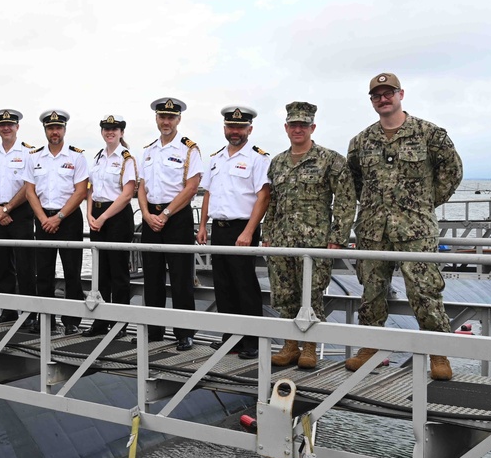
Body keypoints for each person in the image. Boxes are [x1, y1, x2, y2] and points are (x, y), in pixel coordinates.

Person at [346, 73, 463, 381]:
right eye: (376, 95)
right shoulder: (360, 142)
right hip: (372, 229)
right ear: (372, 101)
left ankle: (438, 352)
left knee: (425, 291)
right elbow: (355, 180)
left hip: (416, 230)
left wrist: (423, 203)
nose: (383, 99)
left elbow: (452, 170)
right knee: (372, 291)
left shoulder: (429, 133)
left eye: (388, 93)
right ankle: (369, 347)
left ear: (401, 94)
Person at [265, 102, 356, 369]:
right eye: (293, 125)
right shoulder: (278, 162)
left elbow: (346, 199)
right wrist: (267, 234)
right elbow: (272, 202)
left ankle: (310, 348)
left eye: (303, 125)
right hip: (283, 241)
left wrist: (338, 236)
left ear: (312, 127)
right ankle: (290, 345)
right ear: (286, 128)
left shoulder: (330, 160)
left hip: (315, 242)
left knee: (312, 295)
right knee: (284, 295)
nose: (297, 129)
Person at [197, 106, 271, 359]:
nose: (235, 131)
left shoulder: (258, 158)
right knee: (223, 285)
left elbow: (263, 196)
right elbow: (208, 192)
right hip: (219, 228)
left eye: (240, 127)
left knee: (245, 286)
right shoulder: (216, 158)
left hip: (243, 228)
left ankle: (252, 342)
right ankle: (231, 339)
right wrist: (202, 225)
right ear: (225, 128)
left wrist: (250, 231)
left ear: (249, 129)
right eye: (231, 127)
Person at [137, 97, 203, 348]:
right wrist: (146, 214)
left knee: (180, 276)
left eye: (171, 118)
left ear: (179, 120)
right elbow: (142, 186)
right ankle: (154, 331)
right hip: (150, 216)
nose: (166, 122)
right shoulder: (149, 150)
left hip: (176, 218)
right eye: (162, 117)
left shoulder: (188, 149)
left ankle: (184, 332)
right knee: (151, 276)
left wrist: (165, 214)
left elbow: (192, 186)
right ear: (156, 119)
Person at [23, 110, 89, 335]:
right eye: (51, 128)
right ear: (45, 130)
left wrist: (58, 217)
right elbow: (30, 191)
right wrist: (43, 218)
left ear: (64, 130)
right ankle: (46, 319)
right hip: (42, 218)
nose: (54, 132)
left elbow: (80, 192)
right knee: (43, 271)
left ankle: (72, 321)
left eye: (58, 128)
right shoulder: (34, 157)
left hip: (68, 219)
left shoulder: (76, 157)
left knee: (72, 271)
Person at [83, 114, 137, 337]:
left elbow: (127, 194)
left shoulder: (127, 159)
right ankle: (100, 323)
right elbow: (89, 187)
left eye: (114, 129)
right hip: (97, 214)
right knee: (100, 272)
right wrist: (89, 213)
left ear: (121, 132)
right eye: (106, 128)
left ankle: (119, 324)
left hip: (116, 218)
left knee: (118, 273)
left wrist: (103, 217)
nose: (110, 132)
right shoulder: (97, 158)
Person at [0, 109, 36, 324]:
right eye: (2, 125)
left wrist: (8, 208)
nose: (6, 128)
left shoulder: (28, 153)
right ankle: (9, 311)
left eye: (10, 125)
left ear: (17, 127)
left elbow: (28, 186)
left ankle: (30, 314)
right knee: (2, 265)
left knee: (25, 265)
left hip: (20, 212)